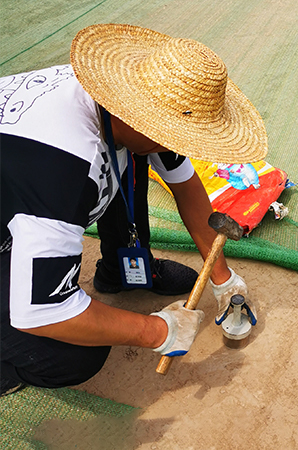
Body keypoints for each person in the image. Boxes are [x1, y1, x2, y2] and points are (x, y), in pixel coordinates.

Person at [0, 23, 268, 396]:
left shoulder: (128, 101)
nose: (175, 145)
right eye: (169, 136)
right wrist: (158, 330)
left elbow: (185, 186)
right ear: (135, 114)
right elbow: (43, 311)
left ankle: (121, 272)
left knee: (131, 164)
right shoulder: (63, 168)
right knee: (72, 354)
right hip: (21, 206)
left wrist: (222, 278)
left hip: (21, 200)